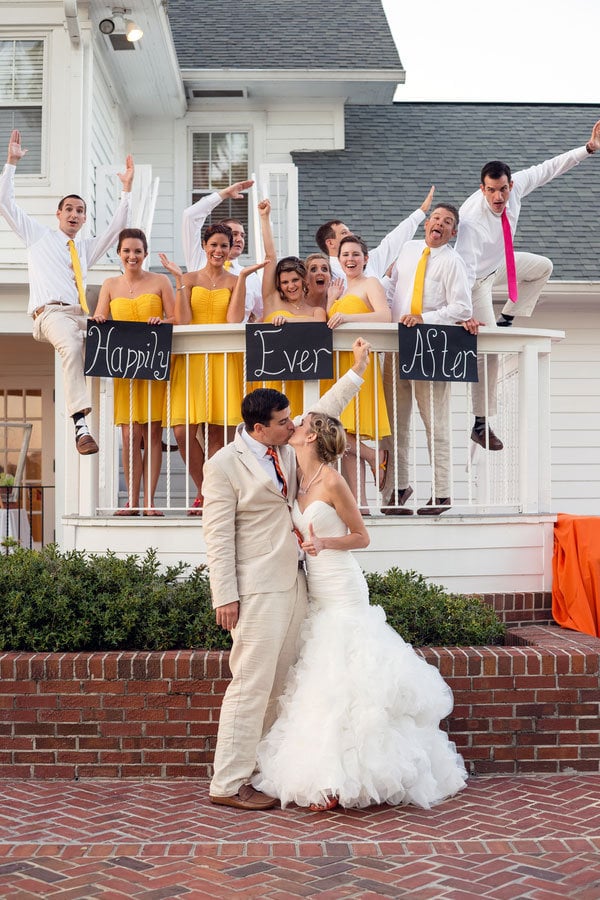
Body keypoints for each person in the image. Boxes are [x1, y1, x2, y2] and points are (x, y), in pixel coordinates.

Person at [251, 410, 468, 810]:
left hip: (343, 586)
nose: (293, 424)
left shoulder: (333, 481)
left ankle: (337, 781)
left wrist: (325, 545)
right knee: (322, 671)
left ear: (312, 436)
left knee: (344, 672)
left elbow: (362, 537)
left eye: (301, 422)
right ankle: (326, 772)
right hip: (316, 585)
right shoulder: (297, 476)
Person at [202, 337, 372, 811]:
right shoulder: (221, 467)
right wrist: (225, 596)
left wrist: (356, 371)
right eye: (284, 422)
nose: (294, 424)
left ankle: (260, 771)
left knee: (280, 685)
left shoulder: (289, 450)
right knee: (250, 683)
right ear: (260, 428)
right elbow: (216, 537)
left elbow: (324, 410)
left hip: (299, 584)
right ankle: (227, 784)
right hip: (255, 590)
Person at [455, 119, 600, 452]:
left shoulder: (517, 186)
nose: (498, 197)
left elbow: (550, 168)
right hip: (474, 280)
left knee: (542, 268)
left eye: (503, 189)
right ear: (482, 189)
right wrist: (465, 314)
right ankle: (480, 423)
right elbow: (462, 271)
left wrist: (588, 149)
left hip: (500, 264)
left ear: (509, 184)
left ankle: (508, 317)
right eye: (491, 190)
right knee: (486, 348)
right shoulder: (471, 219)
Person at [0, 130, 134, 455]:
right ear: (58, 214)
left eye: (80, 211)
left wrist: (126, 190)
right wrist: (11, 163)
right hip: (51, 314)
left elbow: (118, 228)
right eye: (69, 209)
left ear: (85, 218)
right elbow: (5, 203)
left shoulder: (85, 249)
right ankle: (80, 425)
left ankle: (132, 417)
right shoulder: (39, 236)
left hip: (81, 314)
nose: (74, 214)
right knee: (72, 348)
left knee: (121, 339)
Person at [160, 226, 265, 514]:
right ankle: (204, 486)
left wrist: (242, 279)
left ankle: (212, 495)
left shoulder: (234, 280)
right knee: (182, 431)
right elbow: (182, 319)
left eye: (224, 246)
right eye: (213, 245)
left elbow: (233, 320)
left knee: (217, 435)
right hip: (192, 362)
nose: (218, 251)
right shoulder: (189, 278)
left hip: (223, 362)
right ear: (205, 246)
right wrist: (179, 281)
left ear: (232, 249)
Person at [381, 204, 477, 517]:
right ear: (427, 224)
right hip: (396, 345)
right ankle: (398, 487)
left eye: (447, 221)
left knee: (434, 422)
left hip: (429, 348)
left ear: (453, 232)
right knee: (395, 421)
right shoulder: (409, 250)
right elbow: (392, 286)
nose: (439, 223)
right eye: (435, 218)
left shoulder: (453, 262)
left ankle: (443, 492)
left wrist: (425, 318)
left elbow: (462, 308)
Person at [92, 229, 175, 516]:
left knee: (152, 435)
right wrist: (100, 318)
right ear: (119, 253)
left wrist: (162, 320)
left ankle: (149, 502)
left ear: (145, 253)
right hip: (125, 369)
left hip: (152, 364)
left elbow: (178, 317)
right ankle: (132, 501)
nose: (132, 256)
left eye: (138, 251)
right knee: (129, 437)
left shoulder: (161, 281)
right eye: (127, 251)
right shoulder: (109, 284)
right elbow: (99, 317)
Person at [325, 234, 391, 509]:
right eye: (345, 255)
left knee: (343, 429)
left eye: (355, 254)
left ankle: (373, 459)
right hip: (336, 365)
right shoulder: (338, 289)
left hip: (358, 360)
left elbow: (384, 315)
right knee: (341, 429)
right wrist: (330, 300)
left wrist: (349, 317)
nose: (350, 259)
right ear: (338, 260)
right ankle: (361, 502)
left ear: (366, 258)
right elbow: (328, 323)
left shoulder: (370, 283)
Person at [254, 200, 328, 416]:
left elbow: (320, 324)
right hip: (273, 377)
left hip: (304, 379)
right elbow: (270, 257)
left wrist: (288, 322)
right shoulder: (272, 300)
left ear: (304, 280)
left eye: (294, 280)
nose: (290, 286)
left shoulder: (315, 310)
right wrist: (265, 218)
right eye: (285, 282)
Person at [315, 186, 435, 283]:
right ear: (330, 243)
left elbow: (392, 242)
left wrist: (421, 212)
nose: (351, 234)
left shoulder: (369, 260)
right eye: (344, 232)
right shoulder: (326, 275)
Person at [181, 180, 263, 321]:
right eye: (234, 234)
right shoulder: (199, 259)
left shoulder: (251, 277)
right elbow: (189, 216)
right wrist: (223, 194)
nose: (239, 239)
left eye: (242, 235)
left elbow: (263, 313)